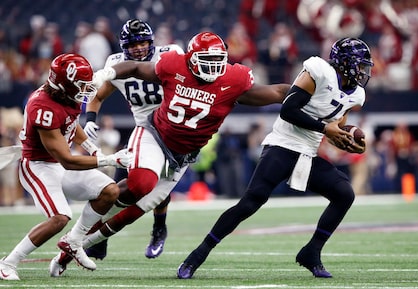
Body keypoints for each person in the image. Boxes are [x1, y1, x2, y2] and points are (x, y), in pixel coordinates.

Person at [49, 31, 290, 275]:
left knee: (132, 212)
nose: (214, 68)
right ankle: (79, 231)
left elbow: (278, 93)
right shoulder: (175, 63)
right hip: (155, 134)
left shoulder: (234, 79)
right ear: (192, 58)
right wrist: (105, 74)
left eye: (219, 61)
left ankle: (71, 248)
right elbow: (133, 67)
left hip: (183, 156)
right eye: (207, 61)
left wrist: (308, 93)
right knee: (141, 184)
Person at [177, 37, 373, 279]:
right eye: (359, 65)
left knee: (344, 194)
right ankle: (198, 255)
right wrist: (325, 129)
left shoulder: (356, 95)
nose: (364, 71)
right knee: (250, 203)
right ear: (343, 63)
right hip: (283, 145)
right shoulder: (318, 71)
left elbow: (335, 127)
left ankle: (311, 252)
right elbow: (288, 110)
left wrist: (346, 139)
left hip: (308, 153)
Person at [0, 53, 132, 281]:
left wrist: (91, 147)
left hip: (57, 163)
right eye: (80, 85)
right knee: (60, 217)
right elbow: (67, 160)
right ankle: (7, 263)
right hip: (37, 165)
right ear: (63, 85)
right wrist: (110, 159)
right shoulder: (43, 106)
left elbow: (70, 124)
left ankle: (74, 241)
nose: (85, 89)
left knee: (110, 191)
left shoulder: (65, 94)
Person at [80, 19, 184, 261]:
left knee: (157, 182)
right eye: (133, 44)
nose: (138, 48)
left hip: (172, 129)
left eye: (143, 42)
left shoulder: (170, 55)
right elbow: (98, 95)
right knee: (120, 186)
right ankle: (100, 238)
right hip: (143, 130)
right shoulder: (116, 64)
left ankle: (159, 227)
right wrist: (91, 119)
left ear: (152, 41)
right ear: (123, 46)